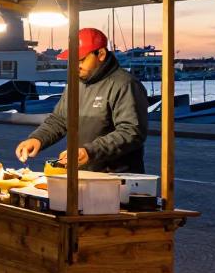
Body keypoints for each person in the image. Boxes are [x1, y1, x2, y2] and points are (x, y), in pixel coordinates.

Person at [16, 28, 149, 173]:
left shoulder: (125, 84)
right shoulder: (75, 84)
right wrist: (37, 139)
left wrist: (89, 151)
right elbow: (59, 120)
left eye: (81, 59)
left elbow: (131, 132)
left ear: (101, 54)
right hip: (82, 174)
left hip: (117, 177)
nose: (76, 65)